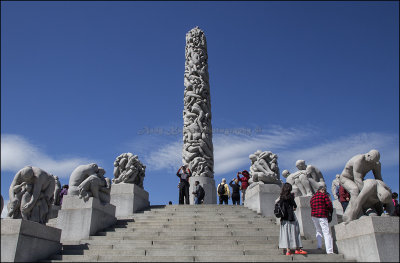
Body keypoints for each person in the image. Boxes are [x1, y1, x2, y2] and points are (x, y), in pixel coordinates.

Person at [277, 183, 307, 256]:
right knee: (295, 231)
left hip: (283, 217)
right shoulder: (290, 196)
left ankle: (288, 250)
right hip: (291, 216)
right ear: (289, 188)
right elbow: (294, 206)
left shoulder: (281, 196)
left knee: (285, 233)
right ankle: (297, 249)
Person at [310, 186, 334, 254]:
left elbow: (311, 206)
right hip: (322, 214)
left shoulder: (313, 197)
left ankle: (319, 246)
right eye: (324, 190)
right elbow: (329, 205)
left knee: (318, 230)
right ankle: (329, 250)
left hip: (314, 216)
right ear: (322, 190)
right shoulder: (324, 195)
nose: (325, 192)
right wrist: (330, 211)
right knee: (326, 232)